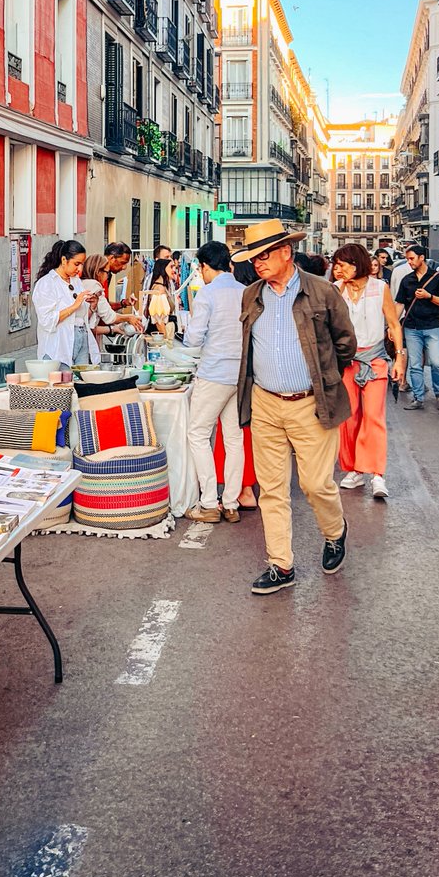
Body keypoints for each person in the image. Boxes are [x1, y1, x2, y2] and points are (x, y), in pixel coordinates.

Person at [232, 219, 356, 596]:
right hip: (266, 402)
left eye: (264, 255)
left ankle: (334, 533)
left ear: (286, 252)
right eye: (254, 257)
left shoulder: (321, 292)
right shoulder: (251, 294)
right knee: (271, 489)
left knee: (316, 484)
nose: (258, 262)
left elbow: (345, 344)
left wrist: (321, 378)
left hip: (310, 404)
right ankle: (280, 564)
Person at [332, 244, 405, 499]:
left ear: (356, 264)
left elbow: (394, 324)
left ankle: (377, 474)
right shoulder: (336, 290)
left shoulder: (379, 288)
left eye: (342, 264)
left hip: (374, 359)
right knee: (349, 418)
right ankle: (353, 469)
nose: (337, 269)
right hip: (347, 362)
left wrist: (399, 358)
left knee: (373, 416)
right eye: (336, 264)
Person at [183, 241, 245, 522]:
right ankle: (230, 502)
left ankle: (208, 503)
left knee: (197, 434)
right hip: (239, 375)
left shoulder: (207, 294)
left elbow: (194, 339)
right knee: (233, 438)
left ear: (205, 267)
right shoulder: (245, 292)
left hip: (214, 372)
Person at [396, 242, 439, 411]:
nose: (409, 262)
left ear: (422, 258)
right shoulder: (407, 280)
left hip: (433, 326)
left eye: (412, 259)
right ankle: (418, 398)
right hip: (412, 327)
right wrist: (391, 326)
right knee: (415, 364)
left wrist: (429, 296)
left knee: (436, 362)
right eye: (407, 259)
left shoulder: (438, 278)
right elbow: (399, 305)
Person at [32, 240, 99, 368]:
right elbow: (46, 320)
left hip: (81, 339)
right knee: (61, 384)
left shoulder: (76, 281)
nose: (80, 269)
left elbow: (82, 318)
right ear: (64, 260)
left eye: (82, 264)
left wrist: (93, 306)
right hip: (58, 344)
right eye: (76, 264)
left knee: (81, 382)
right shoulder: (47, 283)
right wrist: (74, 306)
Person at [81, 254, 143, 346]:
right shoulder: (94, 285)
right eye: (107, 272)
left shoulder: (82, 283)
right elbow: (109, 317)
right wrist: (129, 318)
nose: (107, 276)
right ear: (98, 272)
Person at [143, 257, 179, 334]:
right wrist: (165, 338)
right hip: (159, 334)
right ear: (163, 268)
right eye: (171, 267)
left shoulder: (162, 287)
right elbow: (158, 320)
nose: (174, 270)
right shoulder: (159, 289)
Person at [103, 241, 134, 311]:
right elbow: (101, 309)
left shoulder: (108, 274)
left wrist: (124, 303)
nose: (124, 267)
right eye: (122, 263)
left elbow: (105, 306)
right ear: (111, 258)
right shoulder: (98, 274)